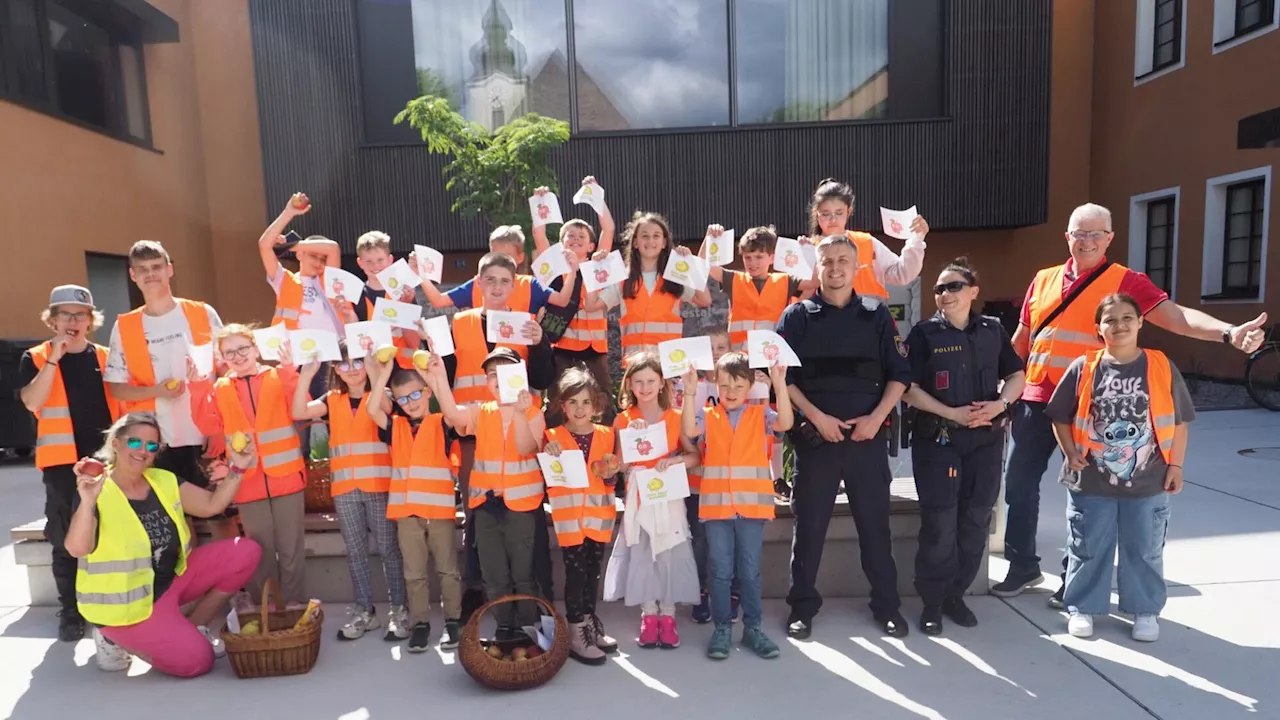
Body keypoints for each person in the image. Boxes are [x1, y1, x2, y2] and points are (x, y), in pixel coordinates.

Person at [995, 203, 1268, 605]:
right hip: (1038, 398)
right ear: (1067, 236)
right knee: (1018, 485)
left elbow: (1176, 318)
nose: (1086, 241)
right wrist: (1004, 385)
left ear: (1109, 237)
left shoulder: (1125, 281)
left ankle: (1074, 579)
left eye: (1096, 234)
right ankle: (1023, 566)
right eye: (1079, 233)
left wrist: (1227, 333)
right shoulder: (1044, 279)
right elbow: (1023, 336)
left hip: (1093, 405)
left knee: (1086, 495)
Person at [777, 234, 913, 639]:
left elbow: (899, 376)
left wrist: (876, 419)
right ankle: (802, 607)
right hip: (817, 442)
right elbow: (784, 380)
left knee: (876, 529)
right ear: (816, 266)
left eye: (843, 261)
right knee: (810, 529)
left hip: (866, 441)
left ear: (857, 268)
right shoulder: (796, 316)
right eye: (827, 261)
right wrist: (817, 418)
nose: (835, 268)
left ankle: (886, 606)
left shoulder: (877, 314)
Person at [1045, 293, 1194, 642]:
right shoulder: (1083, 367)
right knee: (1087, 546)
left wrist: (1176, 465)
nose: (1120, 325)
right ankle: (1082, 607)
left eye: (1128, 318)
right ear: (1098, 328)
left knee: (1144, 548)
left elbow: (1181, 421)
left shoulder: (1159, 366)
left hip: (1148, 481)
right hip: (1092, 480)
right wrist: (1069, 452)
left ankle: (1145, 611)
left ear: (1141, 322)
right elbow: (1059, 416)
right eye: (1110, 320)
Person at [66, 412, 262, 677]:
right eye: (135, 442)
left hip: (170, 582)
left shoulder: (163, 479)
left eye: (151, 445)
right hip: (126, 608)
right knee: (197, 663)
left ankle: (193, 626)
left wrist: (238, 467)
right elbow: (77, 549)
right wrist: (88, 500)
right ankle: (114, 638)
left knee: (245, 551)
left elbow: (211, 505)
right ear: (116, 444)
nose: (143, 451)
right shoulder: (97, 487)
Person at [901, 259, 1025, 635]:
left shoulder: (993, 331)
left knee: (975, 522)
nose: (944, 294)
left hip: (985, 441)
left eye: (953, 286)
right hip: (939, 440)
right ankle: (933, 603)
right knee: (940, 524)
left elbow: (1017, 374)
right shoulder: (923, 335)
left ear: (973, 291)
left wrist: (1001, 404)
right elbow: (907, 388)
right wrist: (950, 413)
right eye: (939, 288)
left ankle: (957, 594)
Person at [444, 252, 559, 609]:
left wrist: (540, 342)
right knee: (477, 514)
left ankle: (530, 597)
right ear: (478, 284)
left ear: (515, 286)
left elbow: (542, 378)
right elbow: (445, 375)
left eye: (504, 281)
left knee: (521, 517)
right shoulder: (459, 322)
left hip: (516, 430)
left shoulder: (525, 324)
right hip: (472, 431)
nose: (496, 287)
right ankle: (478, 592)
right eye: (489, 280)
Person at [105, 241, 235, 542]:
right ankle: (188, 583)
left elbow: (227, 370)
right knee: (173, 516)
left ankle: (233, 587)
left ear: (169, 270)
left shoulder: (202, 313)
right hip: (156, 442)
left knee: (222, 515)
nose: (151, 274)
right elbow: (116, 389)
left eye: (156, 267)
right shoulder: (125, 326)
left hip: (205, 434)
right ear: (133, 276)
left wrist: (224, 425)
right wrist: (157, 391)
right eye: (143, 270)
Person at [19, 285, 122, 641]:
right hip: (62, 464)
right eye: (65, 314)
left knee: (111, 532)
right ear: (52, 320)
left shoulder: (109, 356)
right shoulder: (35, 357)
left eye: (80, 314)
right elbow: (32, 402)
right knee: (64, 537)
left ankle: (110, 606)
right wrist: (54, 359)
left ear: (91, 321)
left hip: (108, 461)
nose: (72, 321)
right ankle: (71, 611)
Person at [290, 340, 409, 641]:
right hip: (345, 489)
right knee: (355, 551)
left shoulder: (380, 395)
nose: (352, 370)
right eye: (344, 364)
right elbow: (299, 411)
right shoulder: (332, 399)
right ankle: (363, 611)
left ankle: (399, 609)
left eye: (358, 363)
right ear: (336, 370)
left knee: (389, 550)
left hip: (379, 486)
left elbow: (384, 408)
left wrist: (376, 371)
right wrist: (306, 374)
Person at [681, 352, 793, 660]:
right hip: (717, 508)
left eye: (738, 385)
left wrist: (780, 387)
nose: (730, 392)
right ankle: (722, 630)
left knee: (749, 572)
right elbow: (689, 431)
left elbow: (786, 422)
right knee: (719, 571)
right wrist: (690, 393)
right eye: (725, 384)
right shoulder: (708, 414)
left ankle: (753, 629)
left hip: (751, 508)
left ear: (748, 387)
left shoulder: (760, 415)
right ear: (716, 384)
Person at [190, 324, 308, 606]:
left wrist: (291, 370)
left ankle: (294, 608)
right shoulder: (220, 387)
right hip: (247, 482)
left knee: (291, 549)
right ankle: (265, 608)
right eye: (229, 352)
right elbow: (207, 424)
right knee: (259, 550)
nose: (238, 356)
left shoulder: (278, 375)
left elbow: (298, 407)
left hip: (287, 476)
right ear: (221, 359)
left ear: (256, 349)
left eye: (243, 348)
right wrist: (196, 386)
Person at [366, 347, 467, 652]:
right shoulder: (394, 426)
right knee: (414, 573)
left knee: (448, 570)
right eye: (402, 399)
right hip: (407, 513)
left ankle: (453, 621)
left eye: (415, 395)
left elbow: (451, 409)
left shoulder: (442, 422)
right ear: (395, 401)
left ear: (425, 393)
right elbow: (373, 410)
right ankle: (420, 623)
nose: (410, 403)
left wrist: (432, 377)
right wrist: (382, 374)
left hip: (438, 512)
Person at [602, 352, 702, 650]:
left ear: (661, 384)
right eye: (638, 382)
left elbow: (694, 456)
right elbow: (617, 463)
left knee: (669, 551)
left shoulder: (673, 417)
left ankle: (668, 615)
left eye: (651, 381)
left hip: (668, 495)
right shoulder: (623, 420)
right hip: (638, 496)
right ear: (629, 385)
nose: (644, 387)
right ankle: (649, 614)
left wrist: (673, 463)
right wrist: (623, 461)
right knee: (643, 552)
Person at [460, 348, 547, 640]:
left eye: (506, 373)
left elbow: (525, 448)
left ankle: (526, 625)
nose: (498, 380)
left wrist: (521, 413)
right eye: (492, 375)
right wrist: (435, 379)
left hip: (521, 507)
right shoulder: (481, 411)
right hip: (487, 506)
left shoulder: (534, 413)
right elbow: (451, 415)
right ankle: (503, 626)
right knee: (493, 573)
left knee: (523, 573)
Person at [541, 368, 621, 664]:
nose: (579, 409)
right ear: (562, 405)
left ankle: (589, 623)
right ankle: (576, 632)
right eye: (572, 402)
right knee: (575, 576)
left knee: (592, 574)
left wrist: (611, 473)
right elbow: (549, 479)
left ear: (595, 405)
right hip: (570, 520)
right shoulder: (552, 438)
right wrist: (548, 455)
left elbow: (610, 481)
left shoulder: (606, 434)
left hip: (598, 518)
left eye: (585, 402)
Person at [531, 178, 617, 427]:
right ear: (561, 242)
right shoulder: (554, 268)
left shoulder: (600, 265)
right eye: (570, 235)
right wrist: (541, 202)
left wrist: (597, 196)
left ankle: (608, 447)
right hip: (563, 345)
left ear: (591, 245)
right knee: (558, 398)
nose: (576, 238)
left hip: (595, 345)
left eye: (582, 236)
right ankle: (556, 446)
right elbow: (539, 234)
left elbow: (608, 229)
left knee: (603, 398)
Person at [673, 326, 738, 624]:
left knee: (729, 539)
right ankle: (700, 591)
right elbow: (681, 428)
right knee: (699, 540)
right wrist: (695, 452)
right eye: (709, 348)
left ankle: (730, 592)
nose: (715, 353)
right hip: (698, 480)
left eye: (721, 347)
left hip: (729, 481)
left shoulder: (740, 388)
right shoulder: (688, 387)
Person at [599, 212, 713, 355]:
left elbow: (704, 300)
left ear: (664, 242)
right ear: (635, 242)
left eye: (656, 236)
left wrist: (691, 265)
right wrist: (595, 266)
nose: (650, 241)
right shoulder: (624, 280)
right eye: (645, 236)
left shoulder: (674, 277)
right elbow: (592, 305)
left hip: (668, 363)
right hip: (636, 364)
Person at [804, 178, 930, 304]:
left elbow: (902, 273)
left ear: (848, 211)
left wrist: (917, 239)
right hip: (823, 321)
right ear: (817, 214)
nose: (833, 219)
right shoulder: (807, 248)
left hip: (870, 319)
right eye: (826, 214)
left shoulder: (866, 243)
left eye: (839, 213)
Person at [702, 224, 816, 351]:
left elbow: (814, 282)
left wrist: (810, 252)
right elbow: (701, 266)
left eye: (759, 257)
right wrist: (709, 239)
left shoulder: (785, 281)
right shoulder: (734, 279)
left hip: (771, 357)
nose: (752, 263)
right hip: (739, 359)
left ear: (772, 258)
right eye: (748, 258)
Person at [419, 226, 572, 313]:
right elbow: (438, 301)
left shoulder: (530, 285)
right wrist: (421, 275)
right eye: (495, 254)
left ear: (520, 257)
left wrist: (572, 271)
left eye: (507, 256)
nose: (501, 261)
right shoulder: (478, 283)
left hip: (521, 359)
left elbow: (562, 300)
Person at [256, 193, 343, 334]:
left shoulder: (330, 281)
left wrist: (289, 245)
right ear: (300, 254)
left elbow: (333, 248)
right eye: (313, 255)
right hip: (296, 352)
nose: (318, 262)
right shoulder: (284, 280)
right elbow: (264, 245)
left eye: (323, 259)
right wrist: (288, 212)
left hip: (332, 351)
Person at [351, 230, 422, 368]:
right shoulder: (356, 296)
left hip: (405, 371)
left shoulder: (404, 292)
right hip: (374, 371)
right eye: (369, 261)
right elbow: (355, 344)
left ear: (390, 260)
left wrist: (405, 307)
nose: (375, 266)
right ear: (360, 263)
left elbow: (415, 342)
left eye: (380, 260)